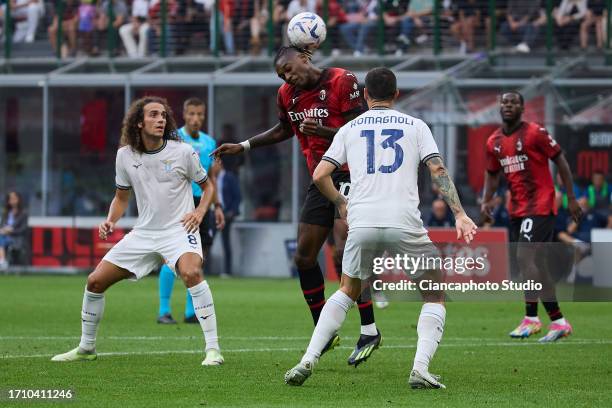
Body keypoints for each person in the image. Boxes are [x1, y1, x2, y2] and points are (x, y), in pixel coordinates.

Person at [284, 67, 477, 388]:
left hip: (361, 222)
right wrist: (459, 213)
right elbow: (437, 168)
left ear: (366, 95)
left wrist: (341, 203)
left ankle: (307, 360)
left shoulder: (350, 128)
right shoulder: (416, 126)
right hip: (405, 222)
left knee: (347, 290)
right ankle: (419, 368)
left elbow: (319, 175)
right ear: (396, 94)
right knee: (434, 295)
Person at [212, 46, 382, 367]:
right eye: (281, 75)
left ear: (304, 59)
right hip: (321, 178)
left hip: (354, 174)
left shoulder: (341, 81)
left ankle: (369, 328)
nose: (286, 77)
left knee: (346, 250)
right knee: (304, 256)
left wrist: (327, 132)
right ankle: (324, 328)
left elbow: (364, 131)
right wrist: (245, 145)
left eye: (288, 70)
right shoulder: (286, 95)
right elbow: (283, 129)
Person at [51, 96, 224, 366]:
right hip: (144, 233)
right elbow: (121, 198)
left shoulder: (183, 152)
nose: (160, 120)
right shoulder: (125, 156)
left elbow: (209, 185)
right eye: (153, 115)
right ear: (139, 122)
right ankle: (86, 348)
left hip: (178, 231)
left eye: (163, 115)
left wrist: (199, 213)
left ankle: (213, 350)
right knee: (95, 281)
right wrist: (111, 220)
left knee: (192, 273)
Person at [481, 91, 582, 342]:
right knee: (538, 266)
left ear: (522, 108)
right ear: (499, 107)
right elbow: (492, 173)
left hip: (541, 204)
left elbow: (561, 162)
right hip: (517, 208)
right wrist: (487, 199)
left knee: (523, 258)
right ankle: (559, 322)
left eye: (513, 102)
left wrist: (570, 197)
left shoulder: (535, 132)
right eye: (504, 102)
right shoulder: (493, 141)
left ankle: (531, 319)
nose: (508, 106)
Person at [157, 97, 225, 325]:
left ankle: (189, 312)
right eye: (192, 114)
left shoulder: (209, 142)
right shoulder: (174, 139)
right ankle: (164, 310)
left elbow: (212, 178)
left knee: (197, 258)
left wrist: (217, 207)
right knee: (172, 257)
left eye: (200, 115)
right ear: (184, 115)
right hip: (178, 204)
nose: (196, 119)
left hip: (202, 205)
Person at [217, 158, 241, 277]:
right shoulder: (208, 178)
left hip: (226, 214)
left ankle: (227, 271)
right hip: (212, 213)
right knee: (206, 241)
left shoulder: (229, 177)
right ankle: (203, 270)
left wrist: (232, 211)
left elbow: (237, 195)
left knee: (226, 242)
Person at [0, 191, 29, 269]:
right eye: (10, 198)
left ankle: (2, 261)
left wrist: (11, 231)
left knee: (1, 237)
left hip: (16, 237)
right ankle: (2, 261)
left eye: (14, 198)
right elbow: (2, 225)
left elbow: (23, 229)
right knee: (1, 237)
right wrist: (4, 230)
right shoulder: (5, 212)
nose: (12, 200)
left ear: (18, 199)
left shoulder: (23, 213)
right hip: (4, 235)